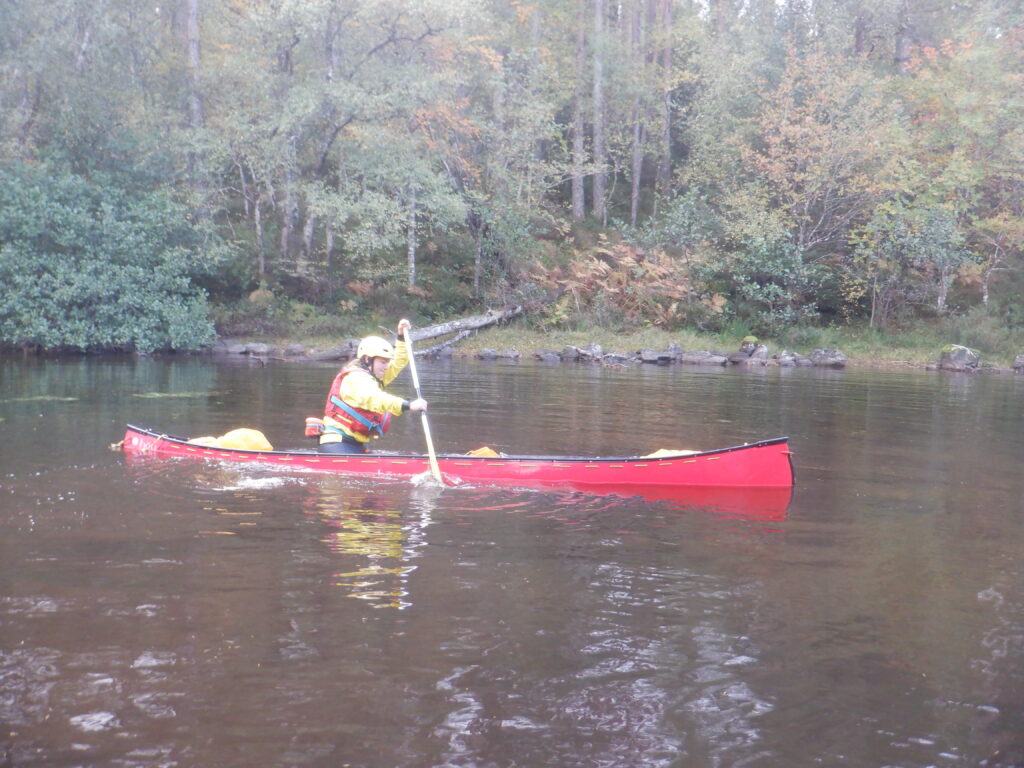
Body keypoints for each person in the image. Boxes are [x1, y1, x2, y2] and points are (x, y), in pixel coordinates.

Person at [318, 318, 427, 454]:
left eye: (387, 362)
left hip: (354, 444)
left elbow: (399, 362)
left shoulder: (375, 376)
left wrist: (401, 336)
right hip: (337, 444)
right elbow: (375, 398)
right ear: (367, 359)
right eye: (383, 362)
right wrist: (408, 405)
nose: (387, 367)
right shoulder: (355, 379)